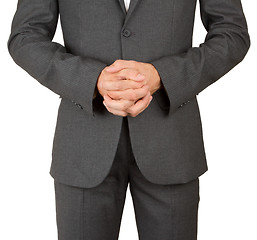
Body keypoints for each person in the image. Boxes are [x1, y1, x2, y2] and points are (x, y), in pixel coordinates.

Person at [7, 0, 250, 239]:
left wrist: (162, 76)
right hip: (83, 146)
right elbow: (25, 37)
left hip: (171, 146)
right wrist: (92, 80)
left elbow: (232, 33)